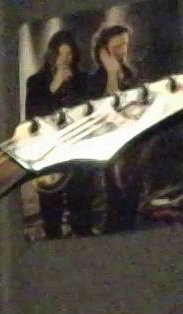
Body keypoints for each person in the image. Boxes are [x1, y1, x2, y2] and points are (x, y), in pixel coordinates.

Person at [24, 30, 93, 238]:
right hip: (49, 151)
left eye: (69, 54)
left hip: (76, 148)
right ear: (52, 55)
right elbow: (33, 116)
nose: (65, 59)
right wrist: (54, 86)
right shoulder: (36, 82)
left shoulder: (82, 80)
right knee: (51, 208)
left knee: (80, 204)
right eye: (61, 54)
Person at [88, 24, 143, 233]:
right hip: (110, 143)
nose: (123, 51)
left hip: (132, 142)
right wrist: (111, 74)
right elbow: (106, 108)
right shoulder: (95, 79)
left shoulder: (130, 73)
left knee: (133, 193)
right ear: (104, 50)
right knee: (115, 196)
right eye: (117, 46)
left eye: (125, 45)